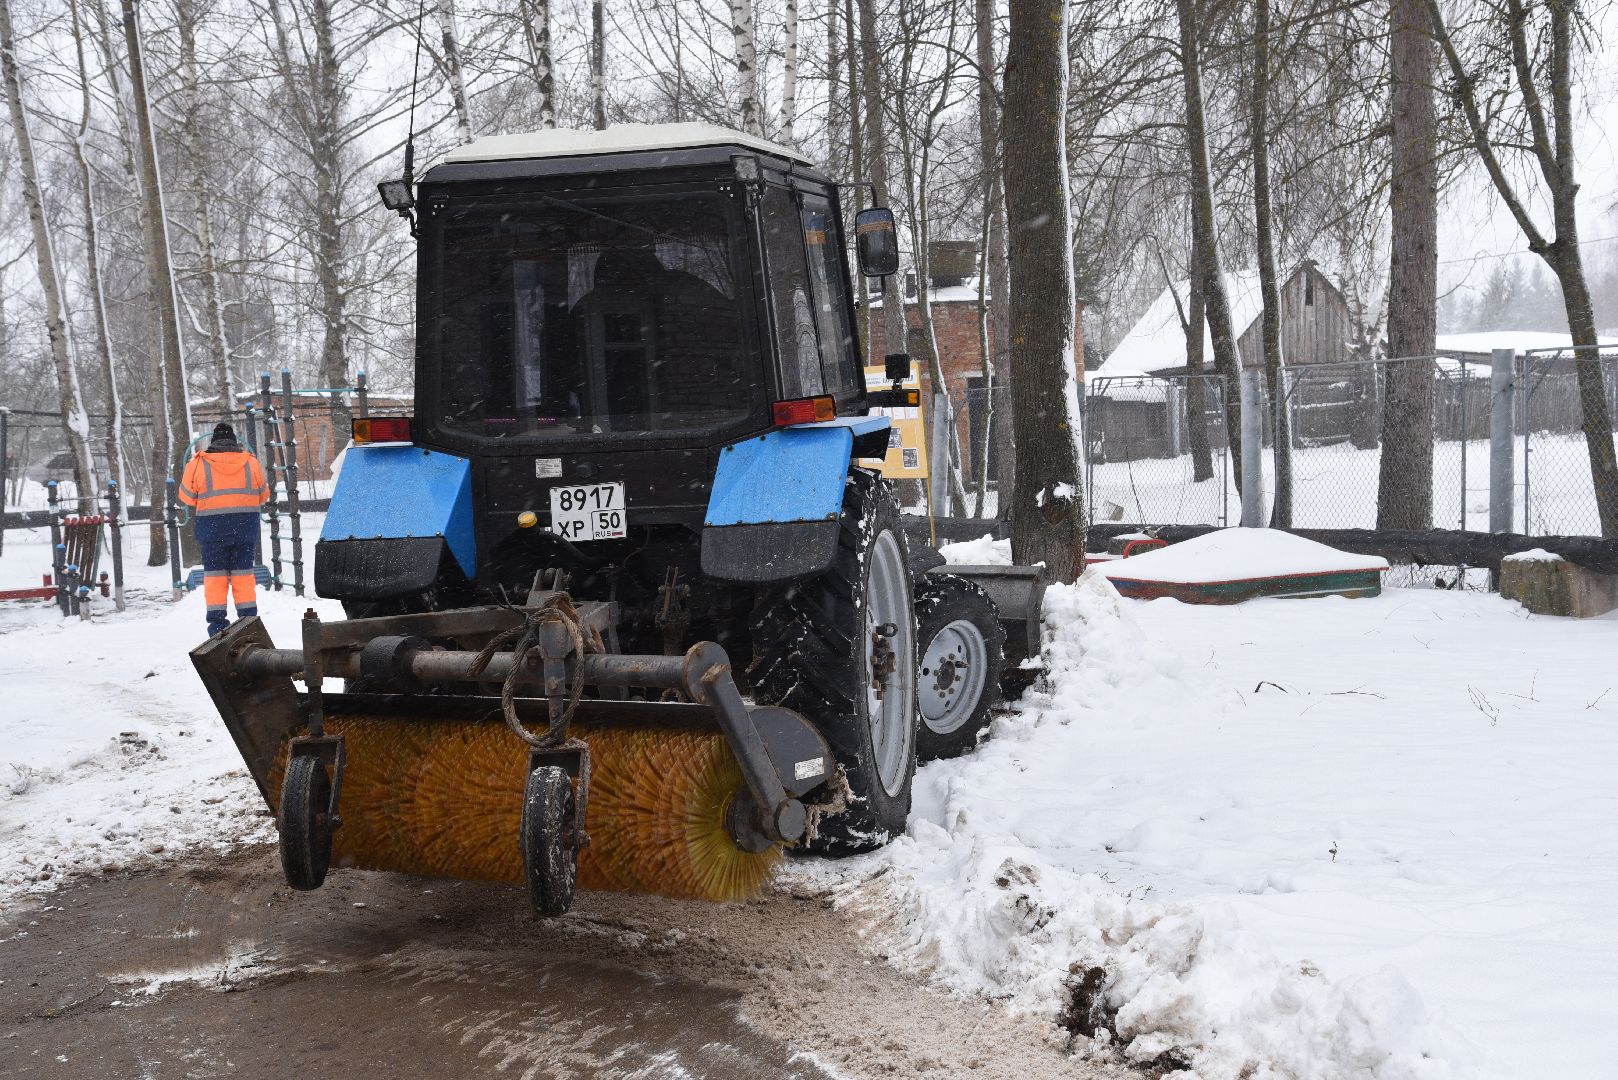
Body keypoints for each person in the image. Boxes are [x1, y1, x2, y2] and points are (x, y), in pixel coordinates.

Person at [178, 422, 270, 636]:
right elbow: (264, 495)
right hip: (244, 529)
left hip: (212, 530)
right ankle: (248, 621)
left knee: (215, 578)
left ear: (213, 442)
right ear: (235, 442)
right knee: (243, 576)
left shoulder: (198, 463)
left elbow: (186, 497)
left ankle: (218, 626)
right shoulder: (250, 462)